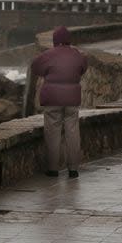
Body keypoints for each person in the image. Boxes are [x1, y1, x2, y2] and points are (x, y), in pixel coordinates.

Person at [30, 26, 88, 179]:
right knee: (73, 132)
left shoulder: (48, 55)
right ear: (69, 40)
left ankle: (53, 169)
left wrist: (48, 73)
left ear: (55, 40)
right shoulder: (77, 54)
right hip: (71, 99)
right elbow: (83, 68)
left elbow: (35, 67)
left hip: (52, 99)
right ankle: (73, 169)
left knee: (52, 132)